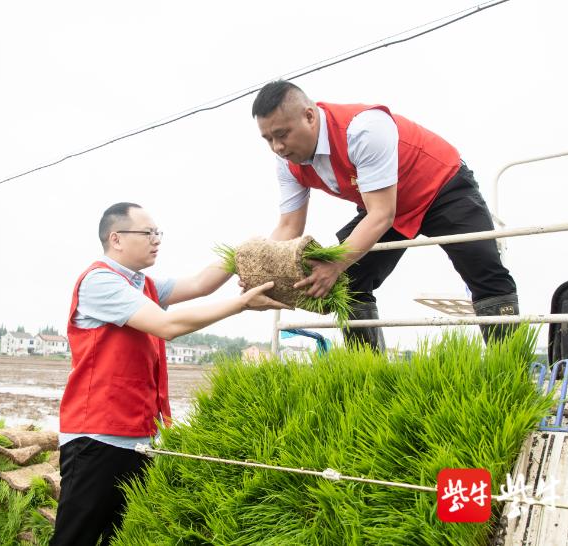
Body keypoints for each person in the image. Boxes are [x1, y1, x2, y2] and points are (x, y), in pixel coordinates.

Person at [51, 202, 286, 546]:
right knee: (75, 539)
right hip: (97, 438)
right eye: (148, 233)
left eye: (157, 233)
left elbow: (202, 284)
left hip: (137, 438)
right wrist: (241, 304)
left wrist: (244, 252)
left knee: (123, 538)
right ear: (116, 239)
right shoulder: (100, 281)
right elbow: (167, 325)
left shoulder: (142, 284)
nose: (156, 240)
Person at [252, 80, 518, 350]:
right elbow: (288, 226)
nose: (277, 147)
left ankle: (510, 370)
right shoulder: (288, 163)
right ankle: (367, 372)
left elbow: (380, 215)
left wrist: (334, 265)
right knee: (350, 281)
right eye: (268, 139)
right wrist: (259, 269)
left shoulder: (362, 129)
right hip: (385, 205)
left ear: (309, 116)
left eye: (282, 134)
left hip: (441, 188)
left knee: (485, 270)